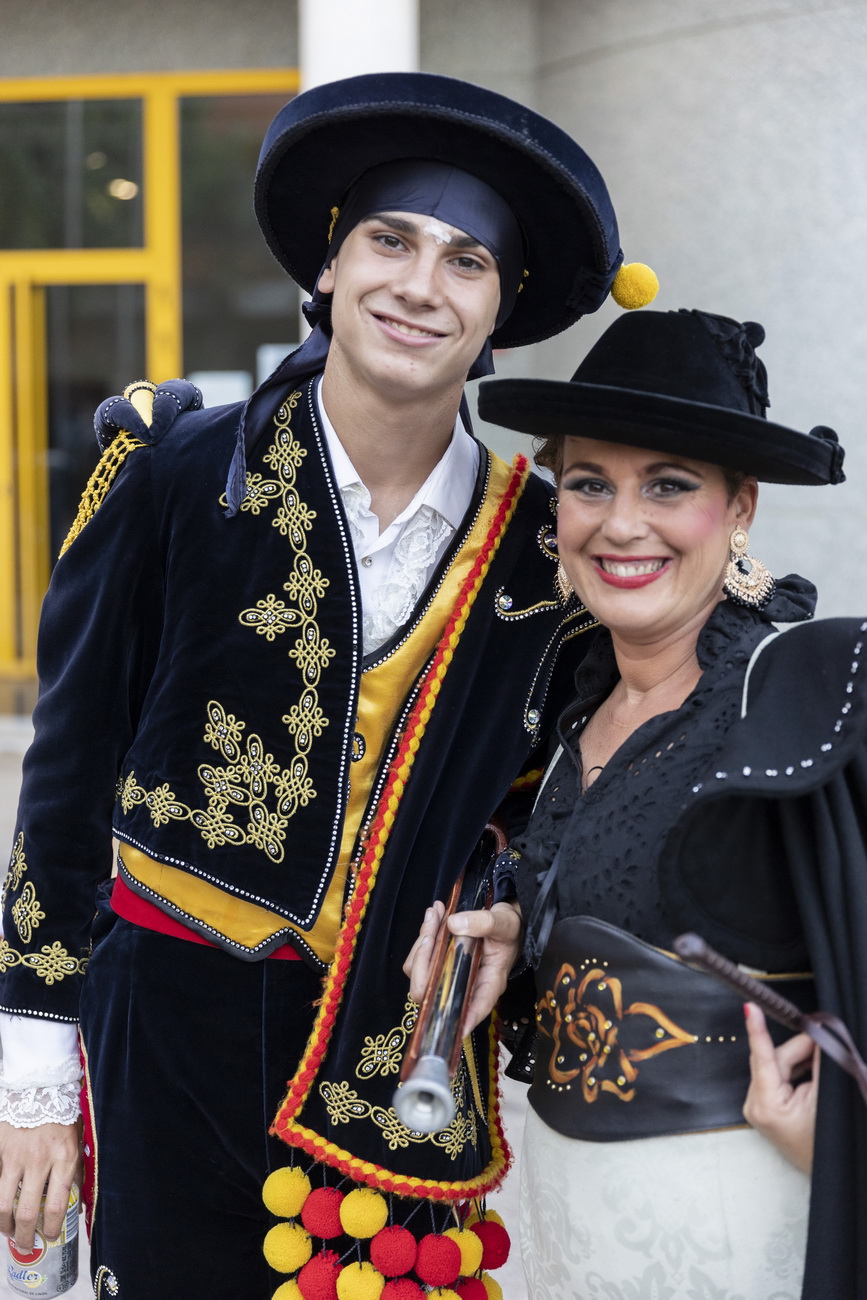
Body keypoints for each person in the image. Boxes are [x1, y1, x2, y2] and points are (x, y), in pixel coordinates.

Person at [0, 72, 657, 1297]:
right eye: (390, 241)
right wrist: (32, 1076)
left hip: (391, 1062)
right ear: (332, 261)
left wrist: (511, 902)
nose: (420, 284)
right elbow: (68, 772)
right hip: (167, 1034)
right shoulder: (176, 473)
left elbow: (548, 799)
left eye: (466, 261)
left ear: (501, 307)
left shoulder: (544, 549)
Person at [454, 307, 863, 1298]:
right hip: (563, 1224)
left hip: (742, 1226)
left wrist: (850, 1140)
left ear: (740, 508)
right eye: (589, 482)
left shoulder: (811, 694)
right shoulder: (570, 712)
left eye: (669, 485)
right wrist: (515, 927)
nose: (621, 523)